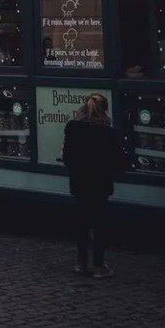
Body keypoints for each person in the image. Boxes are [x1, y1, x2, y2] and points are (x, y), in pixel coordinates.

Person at [62, 92, 126, 279]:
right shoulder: (109, 133)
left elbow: (67, 158)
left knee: (82, 223)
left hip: (79, 182)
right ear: (104, 111)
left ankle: (81, 262)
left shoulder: (73, 128)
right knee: (99, 224)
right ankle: (98, 264)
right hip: (100, 184)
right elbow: (118, 162)